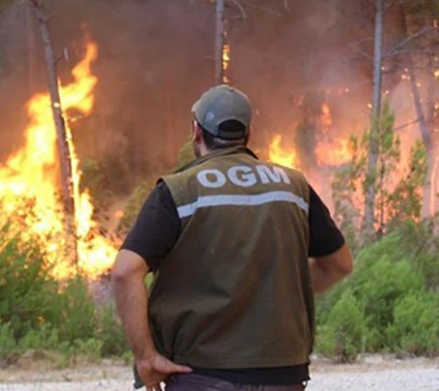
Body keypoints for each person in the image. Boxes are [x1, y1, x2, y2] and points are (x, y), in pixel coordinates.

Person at [111, 84, 354, 391]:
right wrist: (271, 296)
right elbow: (339, 264)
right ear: (248, 134)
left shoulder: (179, 190)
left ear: (196, 132)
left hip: (202, 373)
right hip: (284, 374)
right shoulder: (294, 187)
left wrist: (146, 358)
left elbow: (124, 272)